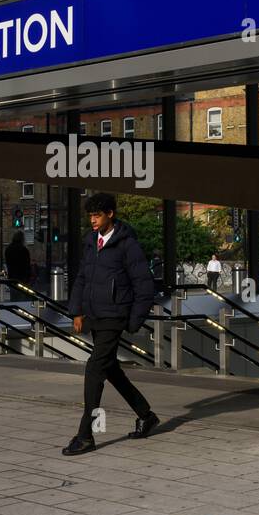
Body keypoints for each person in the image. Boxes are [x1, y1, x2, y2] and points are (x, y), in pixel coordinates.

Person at [63, 192, 159, 456]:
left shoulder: (127, 244)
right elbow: (82, 278)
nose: (93, 221)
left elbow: (144, 284)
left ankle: (85, 435)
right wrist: (77, 311)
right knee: (110, 369)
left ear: (110, 214)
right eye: (90, 216)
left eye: (97, 215)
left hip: (115, 316)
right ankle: (146, 415)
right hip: (95, 315)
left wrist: (134, 319)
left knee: (95, 369)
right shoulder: (91, 242)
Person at [4, 231, 32, 298]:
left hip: (12, 277)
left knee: (14, 296)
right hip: (22, 278)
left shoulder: (8, 249)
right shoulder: (24, 249)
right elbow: (27, 265)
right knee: (22, 297)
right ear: (22, 239)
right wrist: (28, 278)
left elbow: (8, 263)